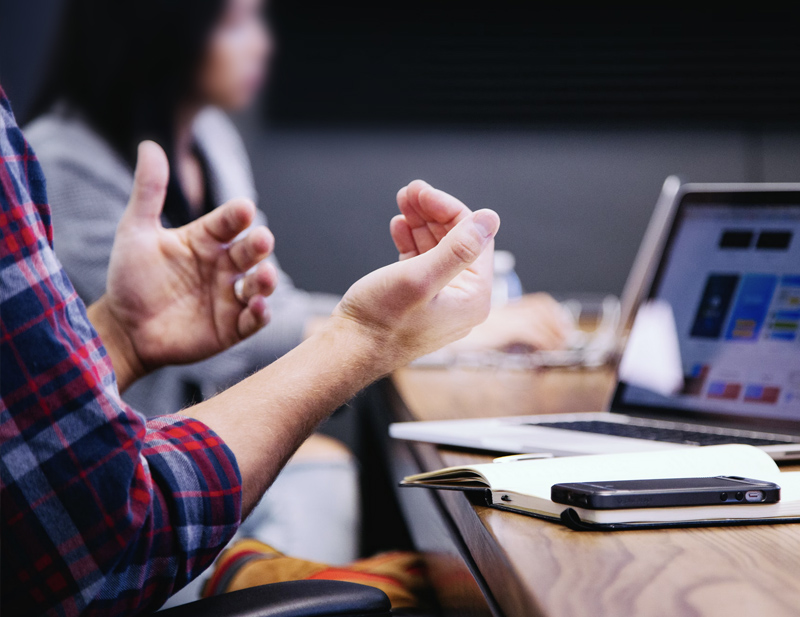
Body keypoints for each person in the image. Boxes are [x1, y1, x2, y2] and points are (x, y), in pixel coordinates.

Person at [0, 85, 501, 615]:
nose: (260, 41)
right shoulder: (61, 154)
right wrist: (365, 338)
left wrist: (121, 339)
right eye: (236, 19)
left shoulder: (212, 135)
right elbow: (99, 537)